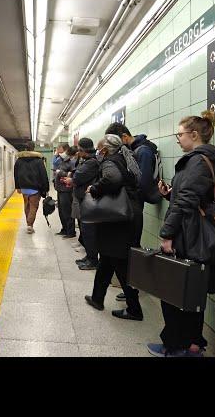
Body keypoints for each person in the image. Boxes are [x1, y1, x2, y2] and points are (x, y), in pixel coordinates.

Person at [147, 111, 215, 357]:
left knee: (174, 290)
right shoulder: (204, 160)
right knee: (191, 291)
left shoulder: (197, 161)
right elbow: (191, 197)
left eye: (180, 134)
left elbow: (186, 201)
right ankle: (194, 344)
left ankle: (175, 345)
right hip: (194, 231)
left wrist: (167, 234)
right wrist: (169, 194)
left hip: (190, 234)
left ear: (194, 135)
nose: (178, 138)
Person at [84, 135, 144, 321]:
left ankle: (134, 309)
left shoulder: (110, 161)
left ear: (106, 148)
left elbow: (113, 178)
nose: (98, 151)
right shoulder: (126, 159)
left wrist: (94, 189)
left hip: (119, 220)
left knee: (121, 264)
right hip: (127, 215)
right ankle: (97, 298)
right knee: (108, 260)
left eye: (100, 147)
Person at [105, 122, 156, 301]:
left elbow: (141, 182)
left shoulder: (143, 152)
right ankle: (131, 287)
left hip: (134, 207)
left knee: (131, 248)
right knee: (127, 248)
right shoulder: (137, 150)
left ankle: (135, 287)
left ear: (124, 137)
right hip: (133, 205)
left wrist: (130, 198)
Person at [71, 138, 100, 270]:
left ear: (83, 150)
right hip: (84, 199)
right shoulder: (87, 161)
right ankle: (89, 256)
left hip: (88, 201)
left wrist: (73, 177)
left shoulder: (91, 162)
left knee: (89, 231)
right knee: (85, 230)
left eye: (79, 149)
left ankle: (92, 259)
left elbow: (77, 177)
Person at [13, 141, 50, 234]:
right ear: (34, 148)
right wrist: (46, 188)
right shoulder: (38, 161)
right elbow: (43, 175)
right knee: (33, 206)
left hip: (24, 187)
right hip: (35, 188)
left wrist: (17, 186)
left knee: (27, 205)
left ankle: (28, 224)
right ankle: (30, 225)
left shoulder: (19, 160)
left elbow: (16, 175)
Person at [54, 145, 77, 238]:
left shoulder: (72, 162)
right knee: (61, 211)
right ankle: (64, 229)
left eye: (65, 153)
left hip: (66, 190)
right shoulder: (62, 161)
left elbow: (72, 175)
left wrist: (60, 173)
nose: (62, 154)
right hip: (60, 189)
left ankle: (70, 231)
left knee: (67, 211)